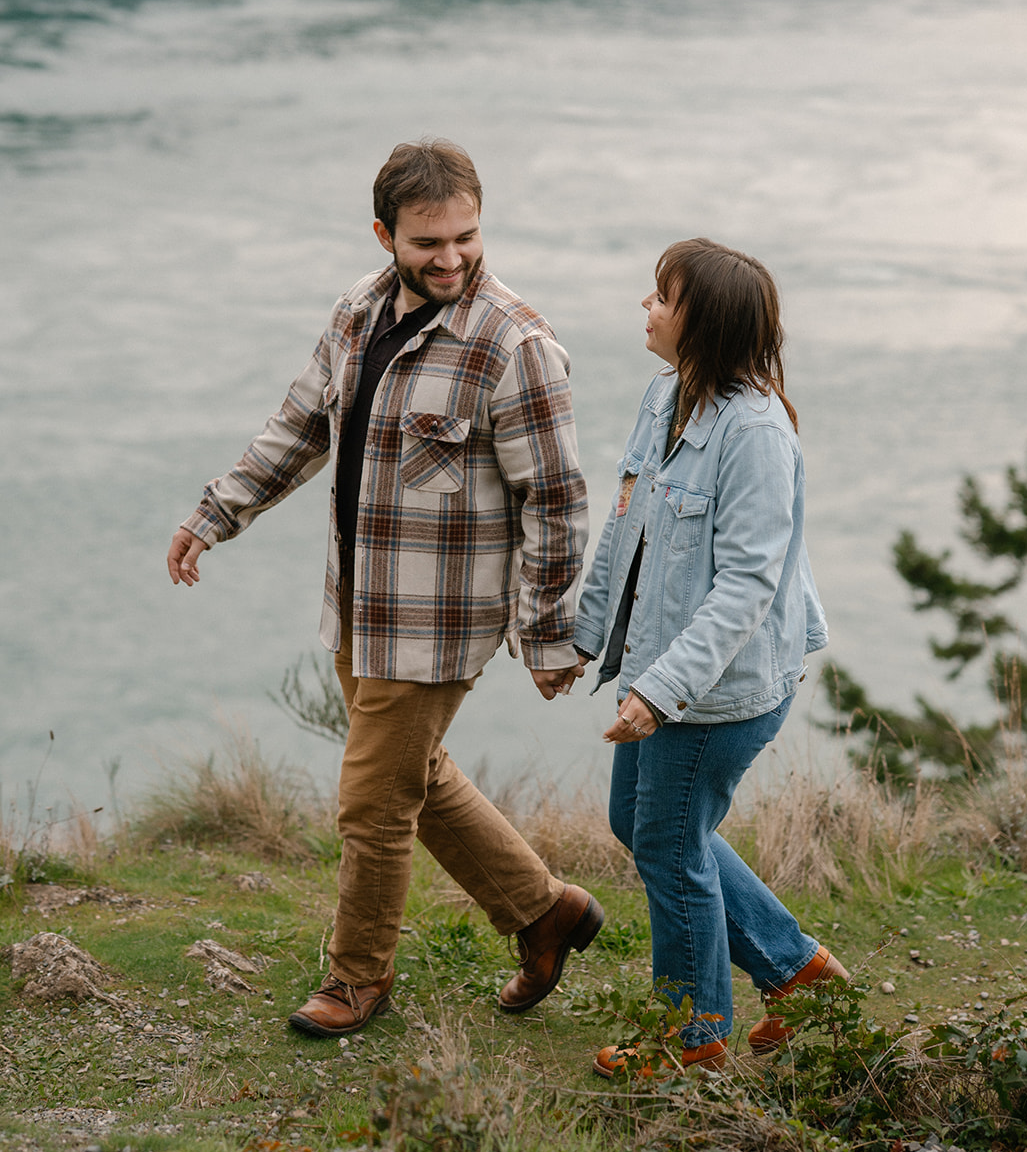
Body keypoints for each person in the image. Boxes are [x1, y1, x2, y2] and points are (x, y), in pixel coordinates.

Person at [167, 138, 601, 1037]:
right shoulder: (357, 312)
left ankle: (357, 978)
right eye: (427, 243)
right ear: (384, 236)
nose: (451, 259)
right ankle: (544, 911)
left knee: (371, 803)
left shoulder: (514, 345)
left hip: (438, 625)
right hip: (358, 603)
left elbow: (555, 501)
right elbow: (298, 427)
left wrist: (548, 635)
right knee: (412, 777)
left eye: (466, 238)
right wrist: (216, 514)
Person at [572, 238, 846, 1076]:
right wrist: (583, 639)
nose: (645, 308)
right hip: (671, 676)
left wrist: (659, 693)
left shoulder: (757, 435)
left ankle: (692, 1045)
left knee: (667, 844)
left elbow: (747, 587)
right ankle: (798, 974)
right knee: (648, 827)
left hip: (721, 692)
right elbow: (626, 530)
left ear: (706, 323)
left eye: (662, 296)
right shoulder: (664, 399)